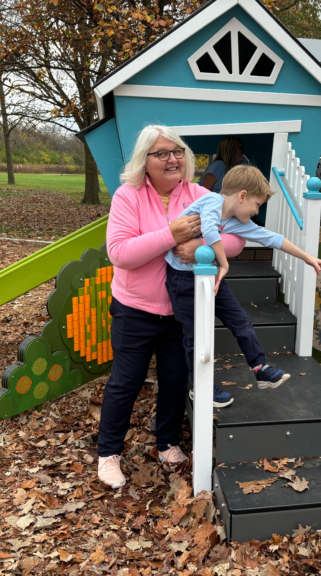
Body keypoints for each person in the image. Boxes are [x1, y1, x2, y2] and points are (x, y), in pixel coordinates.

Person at [97, 125, 246, 489]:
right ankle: (108, 453)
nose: (172, 159)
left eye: (177, 151)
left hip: (182, 310)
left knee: (176, 380)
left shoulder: (198, 193)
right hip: (135, 309)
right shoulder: (128, 197)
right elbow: (120, 253)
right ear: (144, 161)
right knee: (125, 382)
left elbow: (238, 235)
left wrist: (202, 248)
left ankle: (167, 443)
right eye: (161, 153)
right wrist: (173, 235)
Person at [165, 165, 321, 408]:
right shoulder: (212, 200)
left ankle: (260, 367)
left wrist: (308, 258)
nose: (256, 212)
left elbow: (274, 239)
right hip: (182, 279)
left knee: (240, 320)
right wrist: (223, 263)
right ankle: (200, 387)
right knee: (197, 335)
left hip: (210, 276)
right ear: (242, 196)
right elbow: (211, 230)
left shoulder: (238, 222)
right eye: (257, 205)